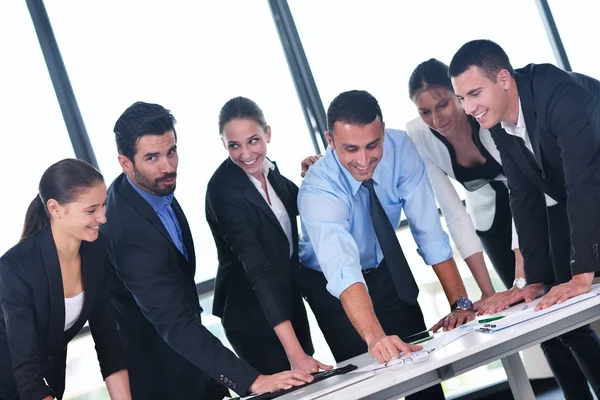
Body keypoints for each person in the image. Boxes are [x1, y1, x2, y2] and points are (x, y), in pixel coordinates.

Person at [407, 58, 595, 400]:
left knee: (552, 301)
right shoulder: (419, 135)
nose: (437, 119)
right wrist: (483, 294)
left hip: (540, 201)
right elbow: (454, 214)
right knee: (525, 313)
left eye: (445, 104)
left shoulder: (491, 117)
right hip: (488, 214)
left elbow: (523, 194)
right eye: (425, 112)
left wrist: (526, 279)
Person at [100, 101, 312, 400]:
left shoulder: (154, 191)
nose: (168, 166)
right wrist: (252, 380)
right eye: (152, 157)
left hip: (198, 365)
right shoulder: (127, 230)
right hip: (163, 378)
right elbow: (173, 323)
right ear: (125, 163)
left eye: (171, 151)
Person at [297, 89, 477, 400]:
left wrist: (460, 302)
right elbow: (343, 269)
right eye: (350, 149)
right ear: (330, 140)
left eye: (372, 145)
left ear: (382, 131)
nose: (364, 161)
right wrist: (375, 337)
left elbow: (428, 229)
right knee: (370, 384)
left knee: (423, 373)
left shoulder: (400, 148)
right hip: (332, 286)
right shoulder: (317, 189)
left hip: (385, 268)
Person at [206, 96, 330, 375]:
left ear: (268, 133)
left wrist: (314, 174)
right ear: (223, 145)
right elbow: (257, 269)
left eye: (253, 140)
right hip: (251, 317)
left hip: (285, 303)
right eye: (234, 145)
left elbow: (298, 206)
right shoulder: (222, 191)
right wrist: (295, 353)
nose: (246, 154)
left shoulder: (270, 171)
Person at [0, 158, 131, 400]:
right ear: (55, 208)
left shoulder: (96, 251)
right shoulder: (15, 267)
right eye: (91, 210)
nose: (102, 218)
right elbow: (26, 371)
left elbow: (109, 345)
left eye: (103, 205)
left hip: (47, 386)